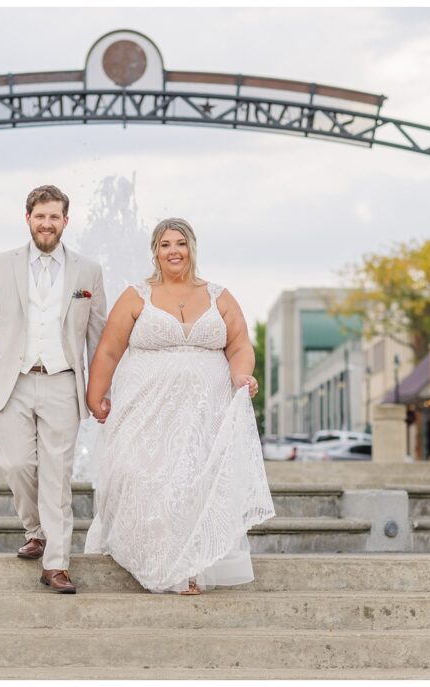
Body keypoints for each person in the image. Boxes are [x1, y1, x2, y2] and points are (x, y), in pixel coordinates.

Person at [83, 217, 274, 595]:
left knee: (193, 483)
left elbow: (239, 345)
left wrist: (241, 376)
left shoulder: (219, 295)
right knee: (142, 477)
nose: (174, 250)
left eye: (180, 243)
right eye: (166, 244)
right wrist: (95, 394)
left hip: (205, 413)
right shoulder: (137, 295)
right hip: (145, 410)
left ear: (192, 248)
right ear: (155, 250)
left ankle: (188, 567)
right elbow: (109, 348)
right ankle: (149, 557)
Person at [0, 185, 107, 594]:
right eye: (40, 216)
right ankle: (36, 530)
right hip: (12, 381)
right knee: (16, 465)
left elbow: (99, 336)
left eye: (54, 216)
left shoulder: (87, 272)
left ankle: (56, 563)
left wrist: (103, 388)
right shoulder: (1, 265)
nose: (47, 223)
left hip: (62, 381)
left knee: (57, 476)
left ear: (65, 222)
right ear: (28, 219)